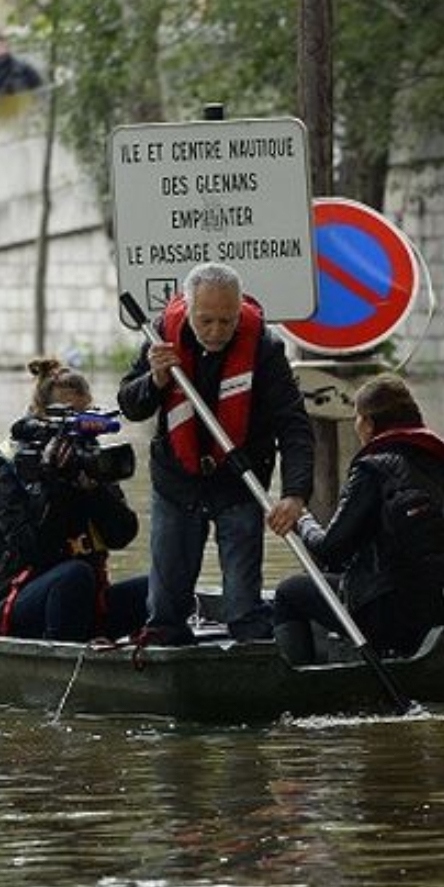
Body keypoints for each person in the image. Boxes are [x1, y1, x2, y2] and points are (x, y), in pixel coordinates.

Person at [117, 262, 313, 645]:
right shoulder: (160, 336)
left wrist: (295, 494)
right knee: (165, 607)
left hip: (240, 483)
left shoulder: (265, 348)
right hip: (176, 482)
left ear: (239, 311)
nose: (217, 332)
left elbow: (294, 426)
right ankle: (167, 661)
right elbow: (130, 404)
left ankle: (254, 664)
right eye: (206, 320)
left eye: (227, 321)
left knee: (243, 607)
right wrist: (154, 381)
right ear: (187, 308)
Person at [272, 373, 444, 663]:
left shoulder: (372, 470)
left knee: (290, 592)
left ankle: (298, 686)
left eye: (357, 419)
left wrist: (303, 520)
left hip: (391, 614)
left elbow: (330, 549)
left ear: (367, 423)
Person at [0, 359, 148, 641]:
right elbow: (32, 549)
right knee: (74, 575)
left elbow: (121, 536)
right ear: (43, 418)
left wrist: (94, 490)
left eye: (86, 422)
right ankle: (62, 664)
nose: (80, 436)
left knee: (166, 587)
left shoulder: (91, 462)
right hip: (21, 604)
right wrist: (54, 485)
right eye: (71, 424)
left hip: (87, 600)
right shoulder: (14, 471)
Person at [0, 33, 42, 101]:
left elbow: (39, 87)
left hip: (18, 108)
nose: (1, 49)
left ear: (8, 47)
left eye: (3, 46)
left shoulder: (23, 67)